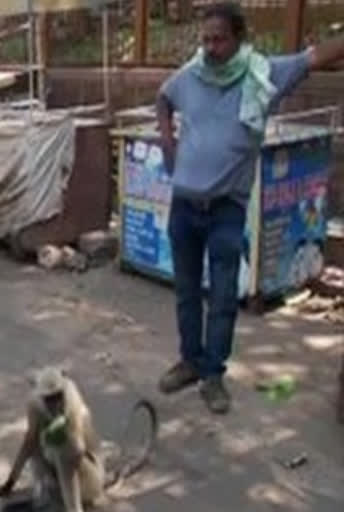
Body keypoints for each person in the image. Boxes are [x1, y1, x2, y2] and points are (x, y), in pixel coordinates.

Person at [156, 2, 344, 414]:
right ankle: (189, 361)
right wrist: (168, 143)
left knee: (223, 297)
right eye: (204, 39)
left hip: (226, 208)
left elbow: (317, 56)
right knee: (187, 291)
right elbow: (163, 98)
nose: (209, 47)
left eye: (218, 39)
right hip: (185, 206)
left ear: (239, 39)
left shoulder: (264, 75)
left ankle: (212, 376)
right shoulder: (190, 75)